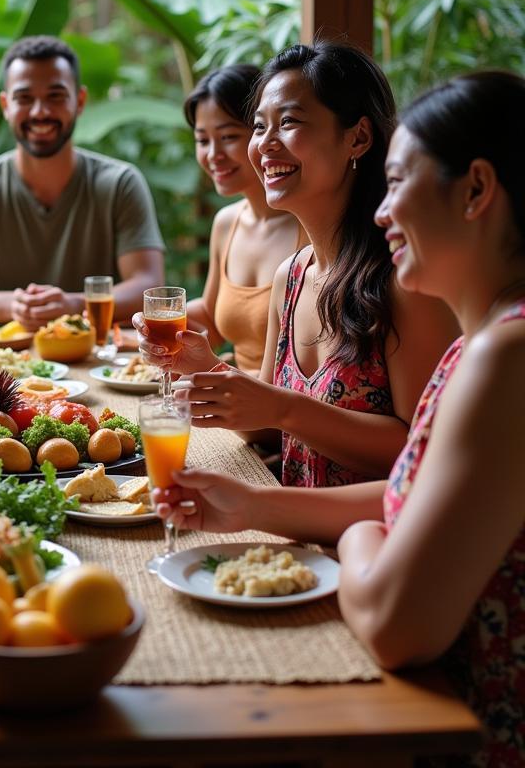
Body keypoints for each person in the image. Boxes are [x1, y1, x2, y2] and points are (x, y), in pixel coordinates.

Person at [156, 71, 525, 765]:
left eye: (400, 182)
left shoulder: (505, 355)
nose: (383, 212)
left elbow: (394, 626)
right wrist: (253, 505)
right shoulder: (485, 343)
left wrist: (360, 533)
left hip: (461, 726)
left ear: (476, 190)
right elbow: (417, 496)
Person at [137, 43, 456, 486]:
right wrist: (205, 366)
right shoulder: (291, 275)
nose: (264, 146)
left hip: (370, 545)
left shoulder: (404, 279)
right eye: (259, 127)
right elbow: (270, 429)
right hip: (293, 535)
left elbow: (425, 452)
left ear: (358, 138)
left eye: (288, 123)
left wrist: (283, 409)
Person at [0, 35, 165, 330]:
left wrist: (75, 304)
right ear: (5, 105)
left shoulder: (119, 184)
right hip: (2, 367)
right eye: (24, 98)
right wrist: (15, 305)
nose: (40, 111)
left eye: (55, 96)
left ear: (79, 102)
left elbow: (149, 287)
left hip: (95, 361)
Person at [183, 64, 307, 374]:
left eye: (227, 136)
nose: (213, 154)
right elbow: (212, 320)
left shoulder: (313, 227)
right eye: (202, 140)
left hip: (278, 408)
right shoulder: (227, 223)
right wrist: (157, 319)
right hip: (235, 403)